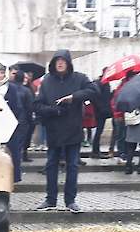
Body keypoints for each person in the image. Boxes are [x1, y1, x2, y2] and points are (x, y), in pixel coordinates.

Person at [33, 49, 98, 212]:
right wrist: (54, 110)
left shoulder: (80, 78)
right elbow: (38, 105)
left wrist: (74, 97)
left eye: (63, 60)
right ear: (53, 63)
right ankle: (50, 199)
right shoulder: (47, 81)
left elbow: (94, 91)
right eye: (57, 61)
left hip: (73, 129)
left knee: (73, 166)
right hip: (54, 130)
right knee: (51, 165)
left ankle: (70, 200)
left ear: (68, 63)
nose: (60, 63)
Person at [0, 64, 33, 182]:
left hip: (9, 121)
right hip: (22, 122)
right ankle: (16, 174)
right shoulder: (26, 91)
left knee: (8, 148)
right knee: (16, 150)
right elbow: (29, 108)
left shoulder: (9, 89)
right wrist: (30, 122)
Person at [90, 69, 113, 158]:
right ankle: (95, 151)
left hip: (101, 111)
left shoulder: (102, 83)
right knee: (99, 131)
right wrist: (101, 108)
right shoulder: (102, 83)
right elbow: (96, 97)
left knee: (99, 131)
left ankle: (96, 151)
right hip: (101, 112)